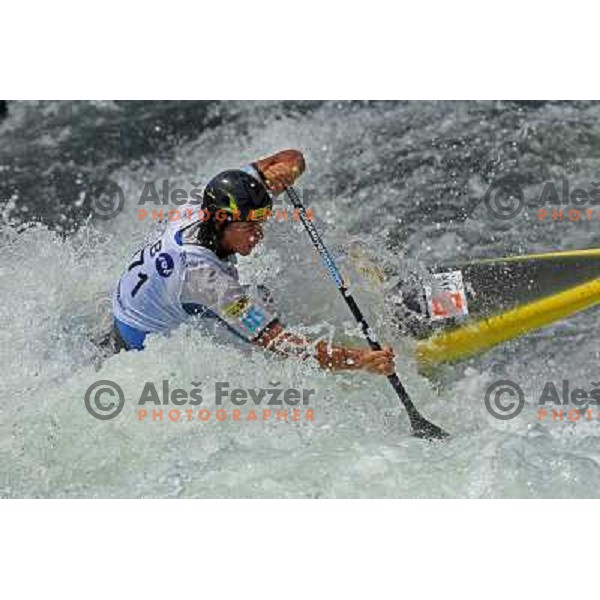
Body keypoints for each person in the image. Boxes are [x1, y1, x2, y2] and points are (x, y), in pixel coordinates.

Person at [107, 149, 395, 376]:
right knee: (262, 318)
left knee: (262, 297)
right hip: (141, 345)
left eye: (261, 223)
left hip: (137, 303)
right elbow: (278, 342)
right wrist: (359, 360)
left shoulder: (208, 202)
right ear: (220, 223)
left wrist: (290, 168)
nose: (259, 234)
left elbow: (286, 158)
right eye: (249, 227)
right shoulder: (207, 280)